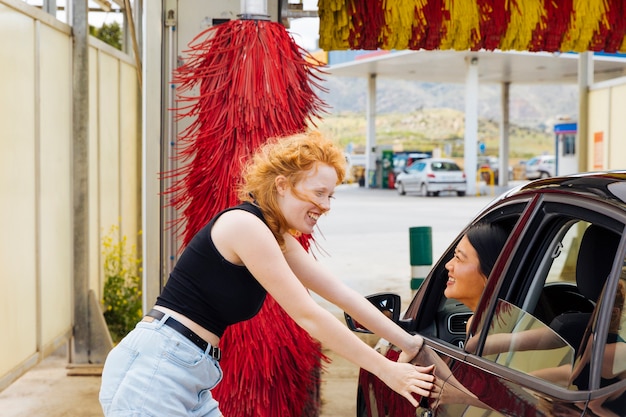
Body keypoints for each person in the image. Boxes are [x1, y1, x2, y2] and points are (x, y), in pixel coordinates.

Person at [99, 131, 435, 416]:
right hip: (158, 368)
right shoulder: (245, 226)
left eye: (331, 195)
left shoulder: (275, 236)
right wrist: (387, 371)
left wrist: (409, 342)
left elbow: (340, 294)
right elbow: (309, 316)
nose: (327, 205)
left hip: (188, 368)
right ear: (282, 185)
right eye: (319, 192)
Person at [444, 222, 509, 331]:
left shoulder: (485, 327)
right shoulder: (505, 320)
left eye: (458, 258)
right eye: (454, 255)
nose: (448, 265)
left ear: (490, 275)